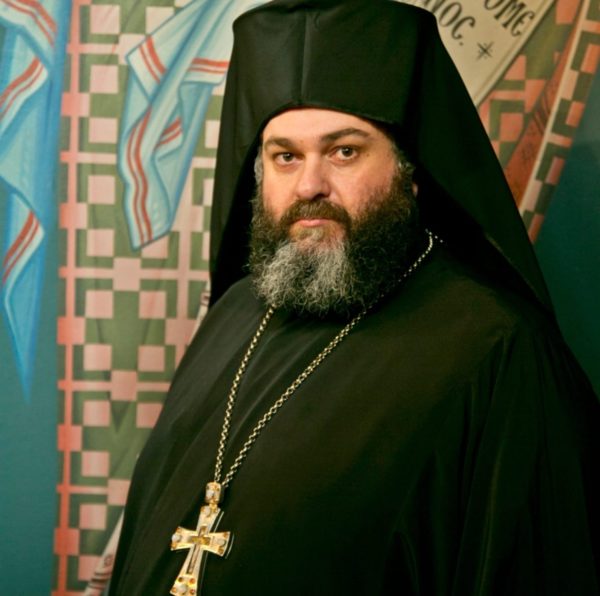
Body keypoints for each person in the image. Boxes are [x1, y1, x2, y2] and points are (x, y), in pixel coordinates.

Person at [109, 1, 599, 594]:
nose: (310, 185)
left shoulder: (497, 348)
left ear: (411, 172)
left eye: (344, 151)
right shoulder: (236, 314)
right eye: (285, 156)